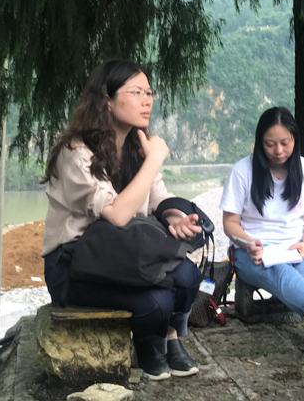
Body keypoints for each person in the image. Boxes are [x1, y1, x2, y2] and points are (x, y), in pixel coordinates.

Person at [41, 59, 203, 381]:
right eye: (136, 92)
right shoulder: (76, 152)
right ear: (107, 101)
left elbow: (158, 199)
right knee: (158, 302)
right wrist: (154, 160)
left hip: (126, 256)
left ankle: (166, 335)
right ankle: (150, 339)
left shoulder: (134, 146)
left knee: (188, 276)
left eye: (149, 92)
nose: (147, 100)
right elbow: (116, 214)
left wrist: (178, 220)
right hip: (75, 265)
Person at [220, 106, 304, 357]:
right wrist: (249, 243)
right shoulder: (242, 171)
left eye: (285, 143)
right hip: (253, 252)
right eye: (270, 144)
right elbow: (230, 223)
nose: (279, 150)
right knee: (282, 273)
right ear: (260, 142)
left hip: (297, 247)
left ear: (295, 139)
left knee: (303, 282)